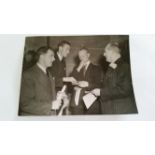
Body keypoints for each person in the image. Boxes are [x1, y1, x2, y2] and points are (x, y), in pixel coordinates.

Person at [91, 42, 138, 114]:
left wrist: (101, 92)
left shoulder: (125, 67)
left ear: (111, 52)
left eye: (105, 52)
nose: (104, 54)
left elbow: (125, 90)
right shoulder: (111, 67)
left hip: (120, 111)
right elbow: (107, 86)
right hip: (111, 110)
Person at [19, 46, 66, 116]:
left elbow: (44, 94)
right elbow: (25, 104)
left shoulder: (49, 73)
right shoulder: (28, 75)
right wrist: (50, 105)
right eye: (51, 56)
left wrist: (57, 96)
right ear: (41, 56)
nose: (54, 59)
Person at [69, 48, 102, 115]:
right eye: (79, 57)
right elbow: (70, 80)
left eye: (83, 56)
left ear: (88, 55)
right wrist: (79, 67)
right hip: (77, 101)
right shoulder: (76, 68)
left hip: (91, 100)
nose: (81, 58)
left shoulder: (96, 68)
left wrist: (87, 84)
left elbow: (99, 85)